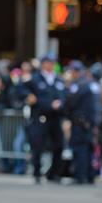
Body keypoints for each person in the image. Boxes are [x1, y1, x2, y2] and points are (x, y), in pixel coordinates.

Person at [21, 54, 66, 184]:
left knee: (59, 145)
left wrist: (60, 104)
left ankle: (53, 173)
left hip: (55, 117)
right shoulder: (35, 79)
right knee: (38, 145)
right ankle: (37, 172)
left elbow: (63, 96)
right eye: (49, 62)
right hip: (40, 116)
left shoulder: (58, 79)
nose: (51, 65)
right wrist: (29, 97)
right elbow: (22, 90)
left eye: (52, 62)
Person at [64, 61, 101, 185]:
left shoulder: (79, 85)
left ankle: (81, 175)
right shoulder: (93, 84)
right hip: (91, 122)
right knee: (89, 148)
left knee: (80, 149)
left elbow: (70, 102)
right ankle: (90, 175)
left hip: (80, 122)